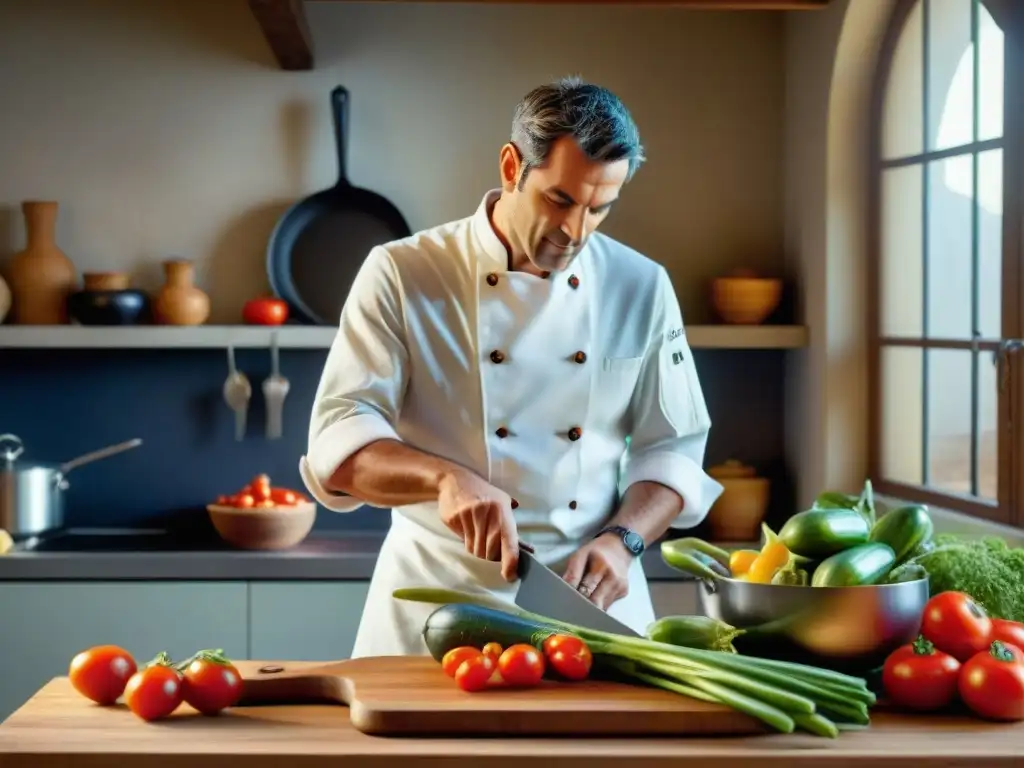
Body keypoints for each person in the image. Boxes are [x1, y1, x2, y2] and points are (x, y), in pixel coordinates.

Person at [299, 76, 723, 658]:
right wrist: (444, 478)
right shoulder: (403, 272)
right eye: (561, 200)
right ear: (511, 166)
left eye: (601, 209)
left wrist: (624, 541)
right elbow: (338, 447)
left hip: (592, 600)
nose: (576, 232)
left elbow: (673, 450)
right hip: (436, 601)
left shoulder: (640, 284)